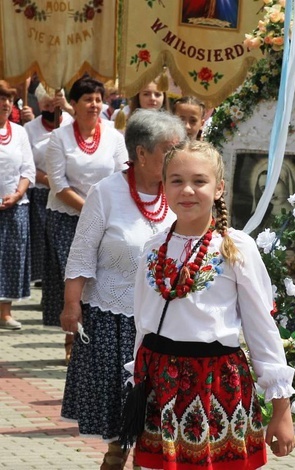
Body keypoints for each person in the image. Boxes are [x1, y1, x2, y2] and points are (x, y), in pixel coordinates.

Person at [124, 140, 294, 469]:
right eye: (176, 180)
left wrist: (281, 409)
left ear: (219, 188)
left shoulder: (235, 248)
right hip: (161, 385)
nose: (187, 190)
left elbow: (262, 329)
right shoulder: (153, 248)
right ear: (164, 185)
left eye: (199, 181)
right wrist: (137, 386)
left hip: (218, 385)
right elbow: (142, 324)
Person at [58, 110, 185, 470]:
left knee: (159, 406)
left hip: (166, 319)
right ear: (141, 153)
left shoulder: (179, 192)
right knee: (119, 405)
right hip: (114, 317)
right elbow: (81, 252)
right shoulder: (106, 193)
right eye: (168, 150)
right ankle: (116, 458)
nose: (176, 157)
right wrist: (71, 305)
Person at [44, 76, 128, 363]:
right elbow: (58, 183)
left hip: (107, 219)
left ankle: (90, 337)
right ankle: (70, 337)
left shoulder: (115, 137)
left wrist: (103, 212)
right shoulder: (60, 137)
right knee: (75, 277)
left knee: (100, 276)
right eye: (87, 99)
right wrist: (91, 209)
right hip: (67, 217)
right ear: (74, 104)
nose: (94, 105)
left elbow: (122, 175)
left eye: (98, 99)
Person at [24, 85, 74, 284]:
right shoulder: (30, 129)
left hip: (70, 193)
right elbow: (27, 163)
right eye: (46, 104)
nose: (50, 109)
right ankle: (44, 282)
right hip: (41, 191)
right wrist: (51, 180)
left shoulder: (71, 122)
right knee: (42, 243)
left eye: (54, 104)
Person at [0, 80, 35, 330]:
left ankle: (5, 313)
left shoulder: (20, 132)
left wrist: (17, 193)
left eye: (8, 99)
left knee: (12, 258)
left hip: (16, 205)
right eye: (0, 99)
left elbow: (28, 169)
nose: (5, 104)